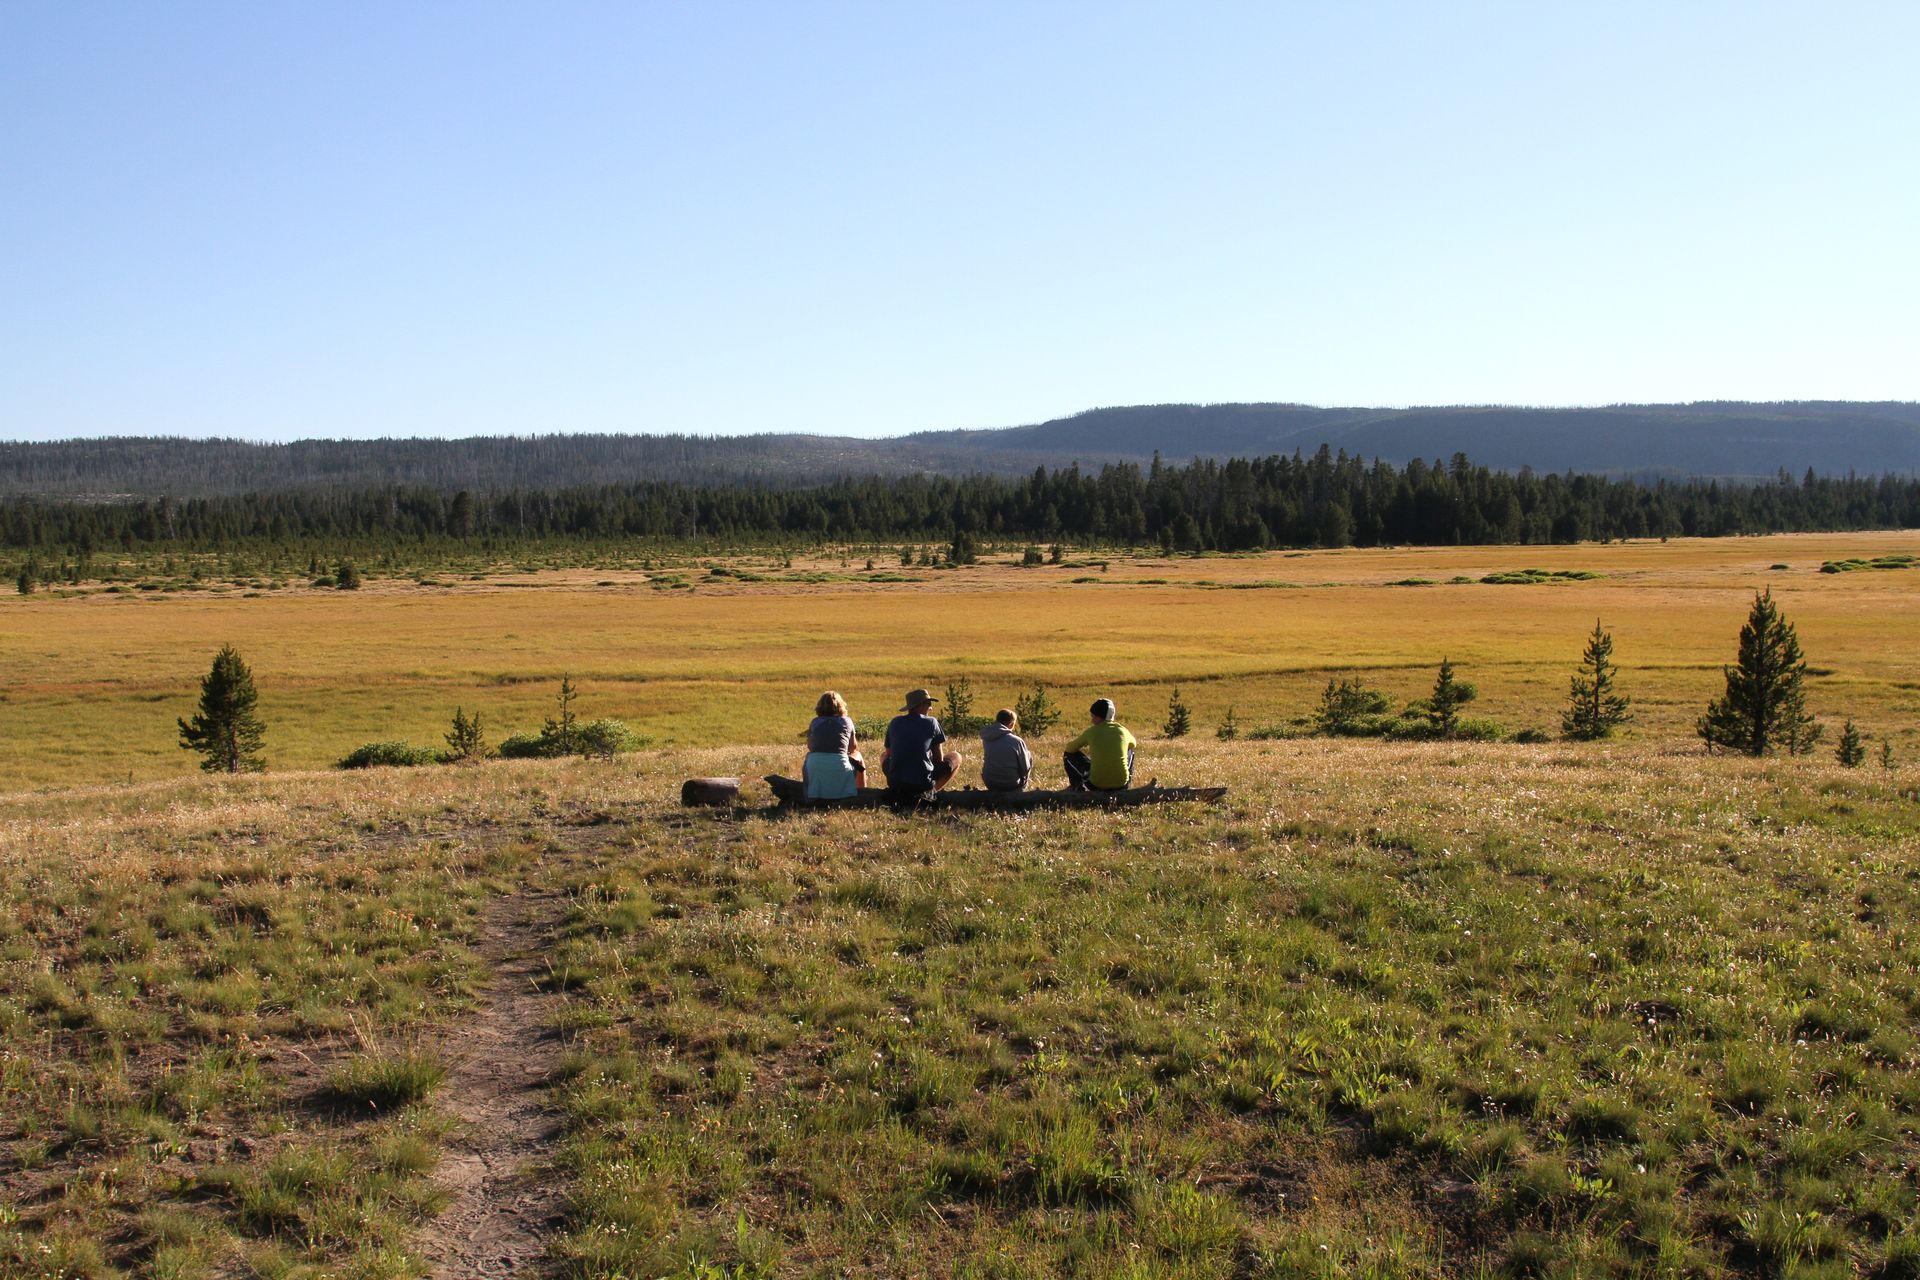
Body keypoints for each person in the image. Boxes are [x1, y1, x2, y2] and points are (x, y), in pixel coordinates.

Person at [881, 688, 961, 801]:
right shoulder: (932, 722)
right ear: (921, 705)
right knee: (956, 757)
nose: (931, 707)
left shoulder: (895, 722)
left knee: (883, 756)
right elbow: (939, 759)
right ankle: (931, 791)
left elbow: (889, 753)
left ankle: (902, 788)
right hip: (923, 783)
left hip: (895, 783)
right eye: (929, 703)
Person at [1062, 697, 1137, 791]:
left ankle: (1078, 788)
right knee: (1130, 751)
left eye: (1094, 717)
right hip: (1121, 784)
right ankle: (1126, 787)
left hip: (1095, 784)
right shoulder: (1123, 731)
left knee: (1068, 755)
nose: (1092, 721)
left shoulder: (1092, 731)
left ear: (1100, 717)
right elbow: (1133, 744)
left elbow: (1069, 749)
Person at [802, 691, 866, 800]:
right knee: (858, 756)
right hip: (841, 766)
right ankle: (862, 792)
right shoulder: (847, 721)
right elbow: (853, 748)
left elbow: (810, 747)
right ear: (841, 705)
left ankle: (809, 791)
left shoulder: (815, 722)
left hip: (815, 765)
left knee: (808, 757)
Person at [979, 708, 1034, 792]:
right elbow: (1025, 768)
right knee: (1028, 755)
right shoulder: (1017, 741)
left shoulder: (987, 737)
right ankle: (1021, 791)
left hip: (990, 783)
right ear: (1011, 724)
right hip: (1011, 784)